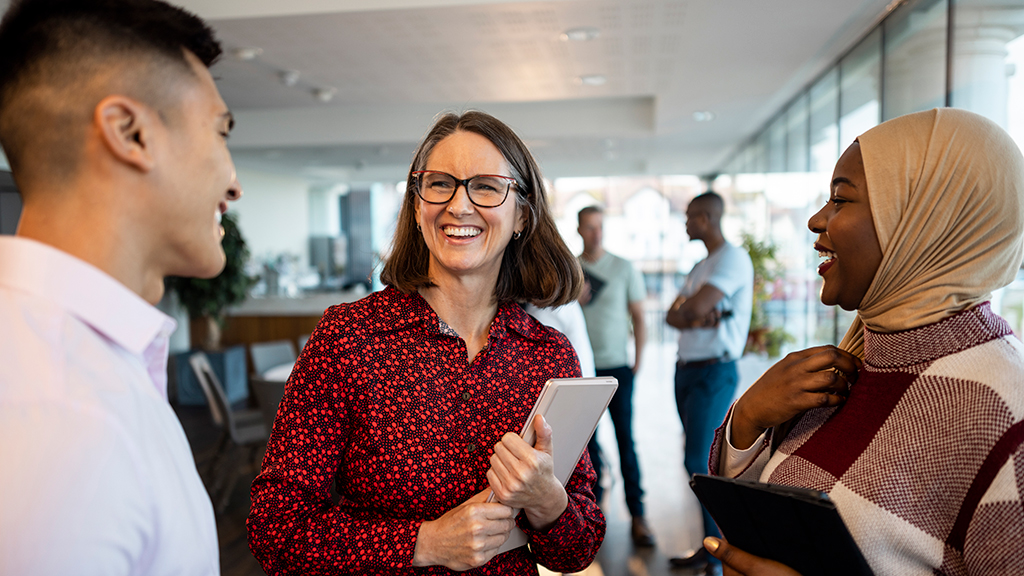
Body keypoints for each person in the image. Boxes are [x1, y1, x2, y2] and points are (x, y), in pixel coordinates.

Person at [247, 110, 605, 575]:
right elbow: (275, 530)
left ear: (521, 214)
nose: (459, 205)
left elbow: (576, 552)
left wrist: (547, 500)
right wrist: (424, 543)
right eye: (439, 183)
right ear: (417, 206)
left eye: (487, 186)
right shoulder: (350, 337)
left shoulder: (548, 354)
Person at [703, 108, 1024, 576]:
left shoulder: (1003, 413)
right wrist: (749, 418)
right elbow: (762, 515)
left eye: (840, 200)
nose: (816, 220)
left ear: (922, 220)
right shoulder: (854, 361)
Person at [0, 0, 242, 574]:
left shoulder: (83, 368)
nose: (233, 184)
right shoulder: (61, 417)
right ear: (130, 132)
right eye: (219, 131)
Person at [665, 192, 753, 573]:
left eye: (689, 217)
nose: (685, 223)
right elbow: (672, 316)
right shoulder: (702, 265)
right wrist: (691, 313)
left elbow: (694, 309)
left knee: (699, 461)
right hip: (687, 369)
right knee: (698, 461)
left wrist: (693, 312)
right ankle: (710, 547)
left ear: (706, 218)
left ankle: (722, 556)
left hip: (712, 372)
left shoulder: (732, 258)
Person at [576, 205, 655, 547]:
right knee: (586, 446)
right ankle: (592, 515)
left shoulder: (623, 268)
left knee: (626, 440)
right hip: (580, 371)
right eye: (590, 228)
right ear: (579, 230)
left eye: (600, 227)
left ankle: (638, 516)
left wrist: (638, 360)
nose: (596, 233)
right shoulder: (570, 270)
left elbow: (638, 315)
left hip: (617, 367)